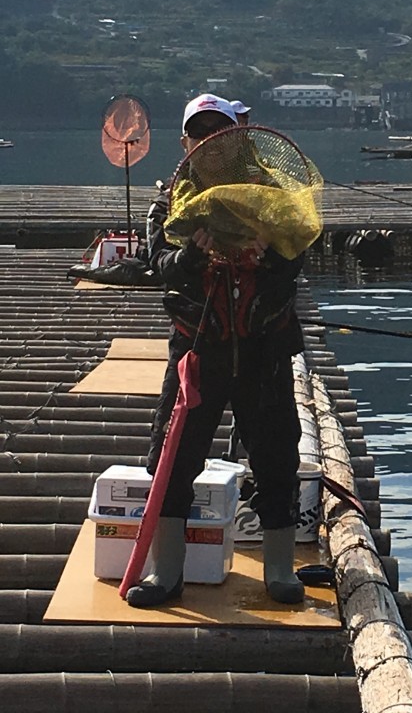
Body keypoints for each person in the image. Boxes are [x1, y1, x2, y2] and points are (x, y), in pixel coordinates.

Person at [126, 94, 306, 608]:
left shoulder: (269, 194)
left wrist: (269, 253)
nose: (209, 142)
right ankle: (166, 574)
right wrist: (190, 253)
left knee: (275, 455)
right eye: (198, 133)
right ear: (185, 142)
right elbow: (160, 264)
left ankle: (279, 571)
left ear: (236, 140)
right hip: (197, 351)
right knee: (171, 456)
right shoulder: (168, 203)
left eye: (219, 132)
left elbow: (296, 259)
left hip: (261, 349)